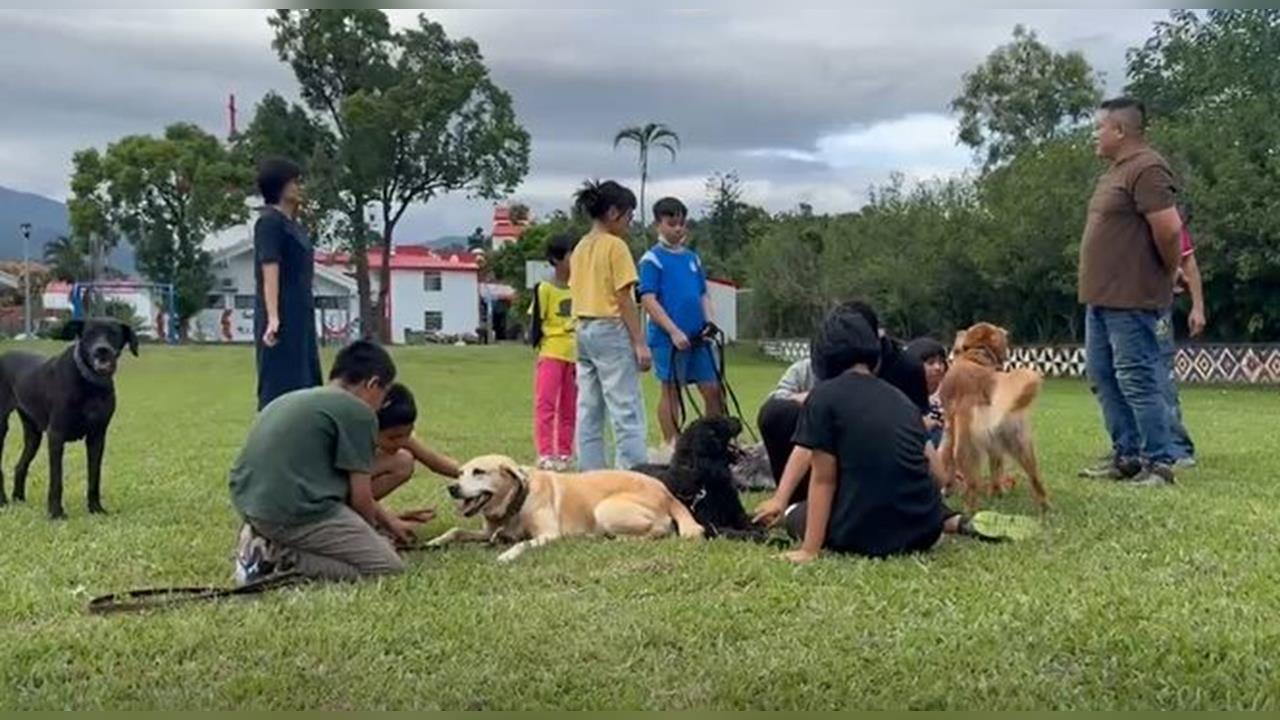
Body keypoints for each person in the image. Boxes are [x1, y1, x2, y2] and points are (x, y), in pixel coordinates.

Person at [230, 341, 429, 585]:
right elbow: (361, 497)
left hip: (251, 505)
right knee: (387, 568)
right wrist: (372, 537)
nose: (382, 405)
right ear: (373, 384)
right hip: (296, 513)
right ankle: (275, 555)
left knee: (363, 560)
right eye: (384, 394)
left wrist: (388, 522)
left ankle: (264, 538)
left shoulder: (295, 398)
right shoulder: (359, 412)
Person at [778, 305, 947, 563]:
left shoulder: (823, 397)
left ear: (822, 355)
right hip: (926, 530)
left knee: (794, 513)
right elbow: (940, 475)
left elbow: (824, 480)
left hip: (861, 534)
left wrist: (809, 549)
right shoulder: (902, 400)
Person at [1078, 98, 1183, 486]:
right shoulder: (1114, 173)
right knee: (1102, 376)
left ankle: (1159, 462)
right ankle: (1127, 456)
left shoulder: (1147, 168)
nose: (1095, 135)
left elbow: (1169, 229)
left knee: (1137, 378)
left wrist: (1168, 271)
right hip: (1101, 299)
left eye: (1100, 128)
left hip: (1132, 298)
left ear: (1120, 130)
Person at [752, 301, 930, 526]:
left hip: (862, 511)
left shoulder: (830, 395)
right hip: (917, 514)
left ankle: (795, 507)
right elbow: (932, 461)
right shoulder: (900, 401)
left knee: (800, 515)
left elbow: (822, 477)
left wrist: (785, 505)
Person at [569, 180, 650, 471]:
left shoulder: (580, 247)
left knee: (589, 408)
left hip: (583, 327)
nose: (629, 222)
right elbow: (623, 296)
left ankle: (590, 474)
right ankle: (632, 472)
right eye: (629, 216)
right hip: (610, 328)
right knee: (625, 407)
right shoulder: (615, 246)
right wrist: (639, 341)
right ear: (614, 212)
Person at [639, 197, 723, 447]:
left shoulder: (692, 258)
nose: (678, 228)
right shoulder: (651, 260)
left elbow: (702, 293)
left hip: (699, 337)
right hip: (668, 340)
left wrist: (710, 321)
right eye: (671, 223)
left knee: (713, 388)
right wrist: (673, 331)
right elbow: (648, 299)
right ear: (658, 224)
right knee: (671, 391)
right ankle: (671, 445)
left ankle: (712, 443)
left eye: (681, 223)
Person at [253, 157, 321, 411]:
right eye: (294, 182)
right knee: (281, 383)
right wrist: (273, 318)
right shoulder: (269, 222)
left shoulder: (293, 225)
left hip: (300, 312)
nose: (298, 187)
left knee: (305, 381)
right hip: (282, 313)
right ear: (279, 185)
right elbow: (269, 267)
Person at [1160, 214, 1206, 467]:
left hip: (1156, 307)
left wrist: (1197, 307)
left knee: (1160, 374)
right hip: (1121, 307)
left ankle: (1177, 448)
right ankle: (1130, 447)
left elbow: (1188, 260)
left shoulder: (1164, 213)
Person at [528, 234, 578, 470]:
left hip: (576, 354)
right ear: (557, 259)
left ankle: (566, 452)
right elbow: (537, 320)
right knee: (546, 404)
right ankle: (546, 452)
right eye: (571, 254)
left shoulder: (580, 288)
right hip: (551, 353)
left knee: (570, 406)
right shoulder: (545, 288)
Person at [374, 383, 462, 497]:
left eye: (408, 434)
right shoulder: (354, 439)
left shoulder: (401, 437)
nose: (402, 442)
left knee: (403, 461)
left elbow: (436, 462)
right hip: (352, 487)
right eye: (394, 437)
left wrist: (480, 474)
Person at [905, 337, 949, 448]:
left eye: (941, 362)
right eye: (931, 363)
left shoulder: (945, 400)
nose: (938, 367)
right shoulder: (903, 402)